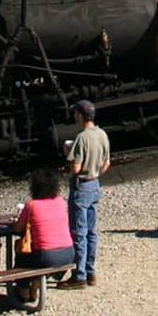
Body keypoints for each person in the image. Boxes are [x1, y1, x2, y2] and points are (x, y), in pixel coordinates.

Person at [58, 99, 110, 290]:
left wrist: (67, 154)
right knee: (91, 231)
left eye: (75, 113)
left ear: (80, 115)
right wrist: (94, 174)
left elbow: (76, 167)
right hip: (95, 184)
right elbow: (107, 163)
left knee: (78, 232)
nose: (74, 116)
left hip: (81, 187)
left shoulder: (82, 138)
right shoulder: (102, 134)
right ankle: (90, 271)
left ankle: (79, 276)